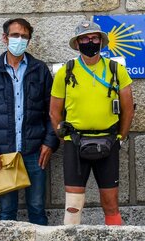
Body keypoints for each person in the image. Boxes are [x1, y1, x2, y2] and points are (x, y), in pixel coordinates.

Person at [50, 20, 134, 226]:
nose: (90, 42)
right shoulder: (66, 71)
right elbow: (54, 111)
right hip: (75, 142)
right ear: (77, 43)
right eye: (85, 39)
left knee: (111, 204)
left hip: (108, 141)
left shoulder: (116, 70)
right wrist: (64, 137)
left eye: (95, 38)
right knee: (73, 206)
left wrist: (120, 137)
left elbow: (128, 109)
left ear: (101, 42)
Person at [0, 18, 58, 225]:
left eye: (24, 36)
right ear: (5, 38)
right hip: (3, 153)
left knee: (37, 207)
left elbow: (53, 111)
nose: (19, 40)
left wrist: (49, 142)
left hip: (35, 151)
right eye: (15, 35)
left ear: (29, 40)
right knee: (6, 211)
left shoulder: (39, 69)